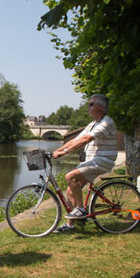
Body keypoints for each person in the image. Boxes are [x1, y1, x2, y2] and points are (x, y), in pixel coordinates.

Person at [52, 94, 117, 233]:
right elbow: (76, 139)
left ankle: (81, 210)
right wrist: (56, 151)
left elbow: (86, 139)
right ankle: (71, 225)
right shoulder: (93, 124)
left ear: (101, 106)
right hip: (93, 161)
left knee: (70, 176)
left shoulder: (107, 122)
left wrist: (64, 153)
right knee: (70, 191)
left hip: (103, 161)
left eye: (91, 104)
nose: (88, 107)